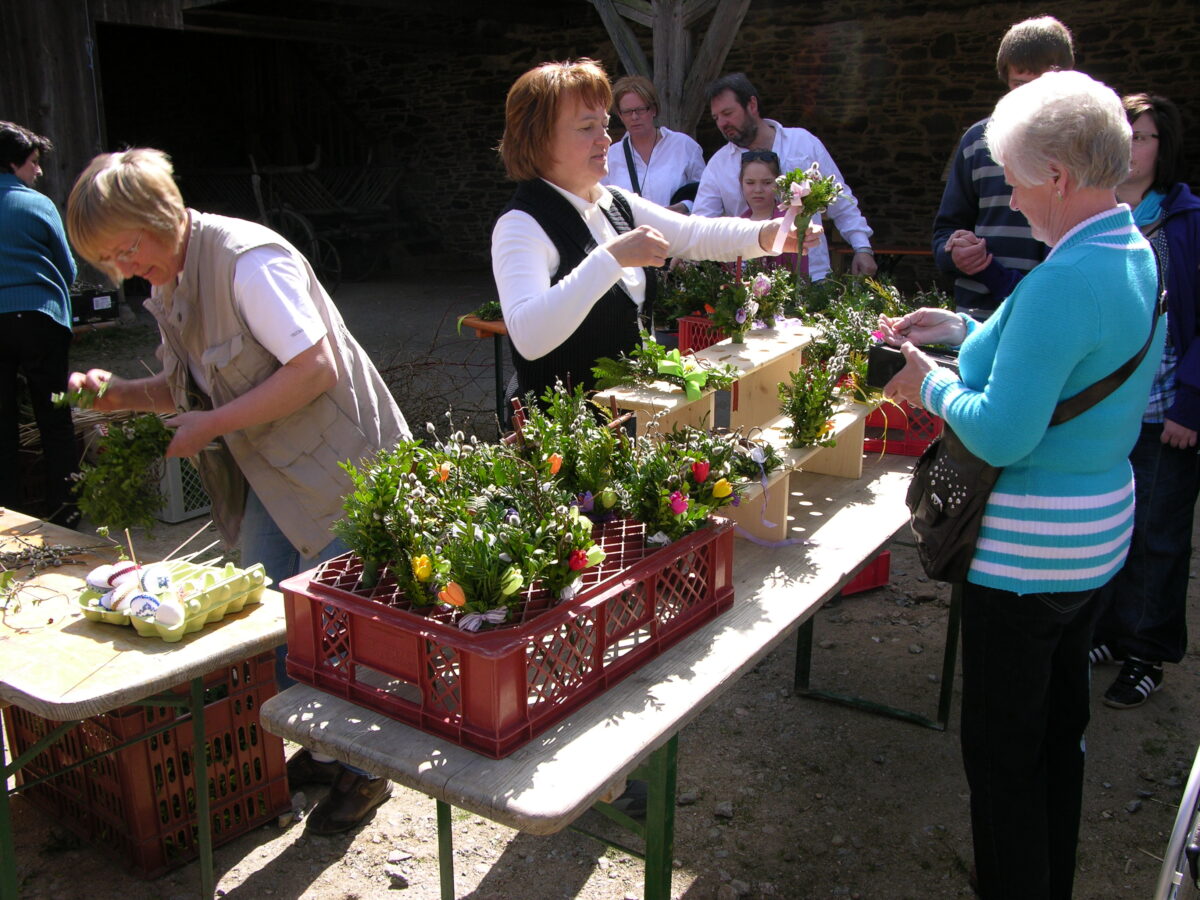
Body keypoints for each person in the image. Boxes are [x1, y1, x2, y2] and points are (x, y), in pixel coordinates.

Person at [64, 148, 410, 836]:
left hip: (345, 470)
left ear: (159, 214)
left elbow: (315, 367)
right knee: (266, 619)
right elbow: (191, 388)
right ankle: (323, 749)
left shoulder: (249, 262)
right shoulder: (173, 282)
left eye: (126, 249)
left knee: (334, 625)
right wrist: (120, 396)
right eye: (108, 260)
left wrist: (213, 426)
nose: (123, 268)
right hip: (274, 476)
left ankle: (366, 770)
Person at [880, 71, 1161, 899]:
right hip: (1095, 538)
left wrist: (928, 383)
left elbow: (1002, 431)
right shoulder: (1128, 247)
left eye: (1014, 178)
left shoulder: (1061, 280)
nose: (1008, 195)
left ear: (1059, 177)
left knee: (1003, 756)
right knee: (1058, 733)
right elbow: (1066, 354)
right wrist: (962, 328)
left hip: (1027, 554)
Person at [493, 58, 814, 405]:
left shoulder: (614, 203)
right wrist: (611, 258)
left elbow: (693, 234)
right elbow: (528, 336)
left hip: (627, 415)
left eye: (604, 125)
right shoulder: (521, 224)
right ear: (540, 139)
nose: (605, 139)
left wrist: (767, 234)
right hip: (563, 427)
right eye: (587, 127)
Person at [1090, 93, 1200, 709]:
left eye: (1143, 136)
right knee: (1108, 526)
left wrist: (1192, 402)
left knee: (1158, 536)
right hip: (1105, 410)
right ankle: (1108, 633)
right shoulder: (1096, 213)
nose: (1130, 146)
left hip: (1165, 412)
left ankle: (1146, 653)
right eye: (1123, 134)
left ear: (1165, 146)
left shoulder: (1187, 221)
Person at [932, 16, 1075, 316]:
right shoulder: (977, 141)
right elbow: (945, 232)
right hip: (978, 316)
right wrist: (955, 253)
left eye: (1040, 83)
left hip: (1052, 314)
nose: (1029, 95)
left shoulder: (1081, 145)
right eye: (1019, 84)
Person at [691, 72, 875, 281]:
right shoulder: (718, 164)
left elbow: (839, 198)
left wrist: (862, 246)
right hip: (752, 284)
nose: (722, 123)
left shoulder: (803, 143)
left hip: (813, 276)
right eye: (716, 118)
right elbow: (701, 223)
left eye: (727, 113)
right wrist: (687, 255)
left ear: (752, 105)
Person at [0, 122, 79, 527]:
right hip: (40, 318)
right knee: (54, 415)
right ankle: (66, 509)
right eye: (33, 162)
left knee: (3, 423)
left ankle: (7, 514)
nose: (38, 170)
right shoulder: (37, 204)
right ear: (12, 163)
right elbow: (67, 267)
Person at [601, 74, 705, 214]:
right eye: (627, 112)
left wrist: (684, 206)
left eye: (640, 110)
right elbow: (602, 203)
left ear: (654, 110)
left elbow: (706, 196)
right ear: (620, 115)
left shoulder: (684, 146)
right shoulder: (610, 156)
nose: (634, 117)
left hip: (677, 226)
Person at [737, 149, 805, 276]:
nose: (758, 189)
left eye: (767, 182)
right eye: (750, 183)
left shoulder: (790, 223)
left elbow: (799, 275)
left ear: (778, 184)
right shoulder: (738, 224)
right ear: (741, 183)